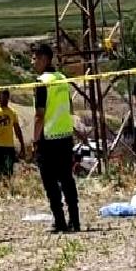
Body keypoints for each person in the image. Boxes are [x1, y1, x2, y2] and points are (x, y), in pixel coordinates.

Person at [32, 44, 80, 234]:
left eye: (35, 58)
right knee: (67, 179)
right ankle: (75, 220)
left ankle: (59, 221)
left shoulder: (42, 82)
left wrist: (35, 141)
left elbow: (39, 115)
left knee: (50, 182)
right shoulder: (62, 79)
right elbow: (69, 107)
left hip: (49, 138)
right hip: (65, 135)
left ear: (44, 59)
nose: (32, 62)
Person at [0, 89, 25, 178]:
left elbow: (17, 130)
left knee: (8, 173)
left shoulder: (12, 112)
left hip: (9, 147)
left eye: (7, 98)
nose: (5, 100)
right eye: (3, 98)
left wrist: (22, 146)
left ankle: (8, 190)